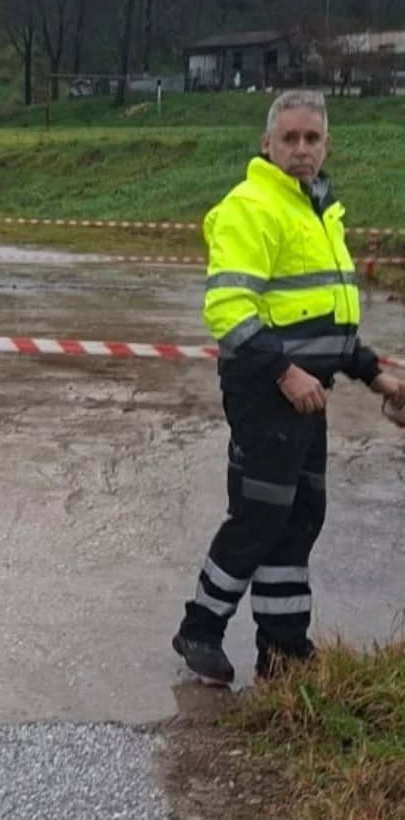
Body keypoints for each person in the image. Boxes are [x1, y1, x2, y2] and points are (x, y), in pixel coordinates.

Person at [172, 89, 405, 686]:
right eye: (290, 138)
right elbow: (228, 308)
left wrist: (375, 374)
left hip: (307, 395)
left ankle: (283, 652)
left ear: (327, 145)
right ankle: (200, 629)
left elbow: (329, 321)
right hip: (264, 390)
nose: (301, 149)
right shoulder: (251, 206)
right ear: (267, 144)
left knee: (300, 518)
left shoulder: (320, 213)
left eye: (312, 138)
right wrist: (283, 371)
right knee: (259, 515)